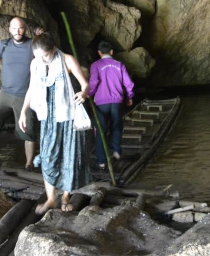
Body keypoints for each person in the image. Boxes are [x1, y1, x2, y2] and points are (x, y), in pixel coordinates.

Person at [19, 33, 91, 214]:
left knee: (69, 155)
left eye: (45, 55)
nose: (42, 59)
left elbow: (85, 85)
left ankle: (65, 196)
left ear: (53, 49)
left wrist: (83, 93)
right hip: (47, 117)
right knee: (47, 155)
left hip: (67, 115)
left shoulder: (67, 60)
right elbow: (31, 88)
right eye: (38, 56)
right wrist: (23, 111)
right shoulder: (36, 63)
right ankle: (51, 199)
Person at [0, 17, 42, 171]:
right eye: (14, 29)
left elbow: (47, 54)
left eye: (20, 28)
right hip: (5, 93)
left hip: (25, 96)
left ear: (25, 29)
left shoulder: (32, 44)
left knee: (28, 131)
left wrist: (42, 36)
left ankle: (29, 165)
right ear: (9, 29)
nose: (17, 31)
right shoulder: (4, 44)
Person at [88, 40, 135, 170]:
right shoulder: (119, 65)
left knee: (100, 131)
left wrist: (88, 94)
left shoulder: (95, 65)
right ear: (112, 52)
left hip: (100, 103)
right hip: (117, 101)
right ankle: (116, 151)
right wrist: (129, 97)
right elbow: (129, 84)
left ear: (99, 53)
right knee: (116, 126)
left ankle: (102, 161)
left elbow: (93, 82)